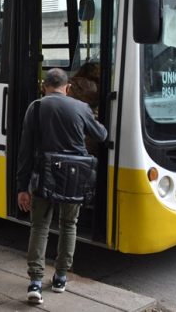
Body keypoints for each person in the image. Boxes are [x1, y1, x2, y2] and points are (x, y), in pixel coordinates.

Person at [15, 68, 107, 305]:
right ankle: (61, 277)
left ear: (44, 86)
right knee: (69, 225)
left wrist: (22, 187)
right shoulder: (80, 107)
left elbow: (25, 151)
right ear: (67, 88)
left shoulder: (35, 108)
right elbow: (102, 134)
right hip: (74, 178)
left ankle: (35, 281)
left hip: (43, 176)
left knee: (40, 227)